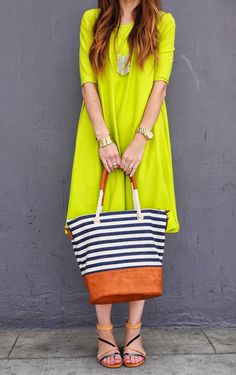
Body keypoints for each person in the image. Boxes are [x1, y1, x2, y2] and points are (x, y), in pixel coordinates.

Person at [64, 0, 180, 368]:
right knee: (99, 235)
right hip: (98, 135)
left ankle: (133, 331)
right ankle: (103, 333)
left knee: (138, 233)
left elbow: (160, 86)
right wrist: (104, 139)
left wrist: (139, 140)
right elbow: (87, 82)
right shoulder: (92, 20)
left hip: (144, 138)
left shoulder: (163, 23)